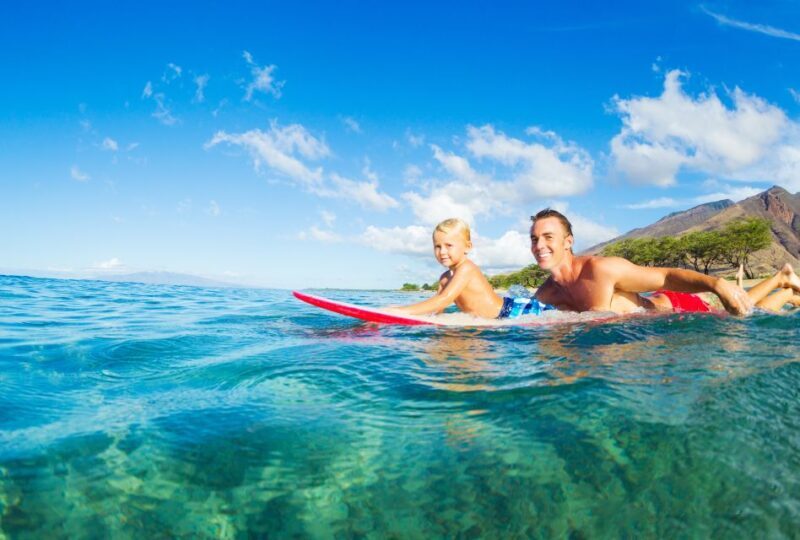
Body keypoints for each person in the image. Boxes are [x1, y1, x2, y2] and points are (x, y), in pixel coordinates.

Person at [530, 208, 800, 315]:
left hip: (675, 307)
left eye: (548, 237)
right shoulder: (545, 294)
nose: (539, 245)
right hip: (650, 319)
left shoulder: (600, 269)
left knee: (741, 318)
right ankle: (783, 280)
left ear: (568, 241)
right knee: (737, 310)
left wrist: (717, 284)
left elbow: (666, 276)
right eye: (534, 239)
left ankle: (784, 285)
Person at [388, 218, 553, 319]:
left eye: (449, 245)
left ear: (467, 247)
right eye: (437, 246)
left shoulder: (466, 268)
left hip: (510, 312)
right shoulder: (445, 278)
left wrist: (400, 311)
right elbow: (437, 308)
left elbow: (444, 299)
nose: (442, 251)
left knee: (557, 310)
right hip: (504, 312)